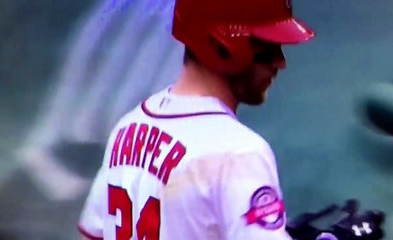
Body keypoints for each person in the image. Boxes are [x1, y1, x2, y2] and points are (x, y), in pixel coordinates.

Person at [78, 0, 315, 239]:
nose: (281, 63)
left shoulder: (128, 128)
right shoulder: (239, 154)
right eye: (268, 49)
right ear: (224, 46)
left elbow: (91, 235)